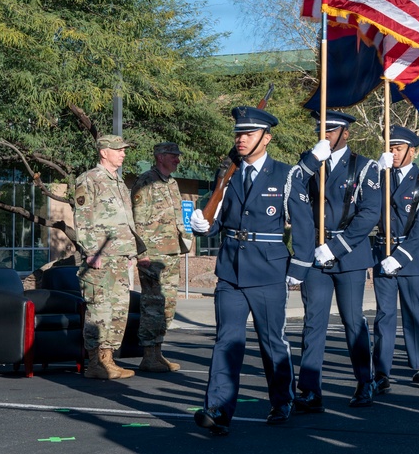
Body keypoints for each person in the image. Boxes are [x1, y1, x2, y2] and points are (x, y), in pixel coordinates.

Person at [188, 106, 317, 436]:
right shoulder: (227, 175)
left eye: (248, 133)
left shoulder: (286, 176)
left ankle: (282, 398)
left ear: (266, 138)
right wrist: (204, 225)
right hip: (230, 269)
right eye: (238, 134)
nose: (241, 138)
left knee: (272, 341)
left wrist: (299, 268)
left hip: (269, 269)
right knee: (226, 341)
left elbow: (304, 227)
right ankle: (218, 408)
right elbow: (217, 221)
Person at [295, 110, 380, 412]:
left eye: (331, 130)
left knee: (352, 320)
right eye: (321, 129)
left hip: (348, 254)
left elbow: (370, 213)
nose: (325, 135)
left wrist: (337, 247)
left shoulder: (364, 167)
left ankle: (364, 381)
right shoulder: (309, 162)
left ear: (347, 133)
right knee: (313, 322)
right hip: (316, 252)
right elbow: (293, 196)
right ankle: (309, 389)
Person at [371, 125, 419, 392]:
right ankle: (381, 370)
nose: (393, 153)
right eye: (390, 148)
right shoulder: (379, 177)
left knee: (415, 313)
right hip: (383, 252)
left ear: (412, 152)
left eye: (398, 148)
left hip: (411, 258)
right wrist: (376, 172)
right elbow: (364, 205)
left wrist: (399, 256)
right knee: (384, 316)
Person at [74, 134, 146, 380]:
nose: (123, 153)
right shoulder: (89, 179)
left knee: (117, 311)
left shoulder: (118, 181)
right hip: (101, 256)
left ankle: (108, 359)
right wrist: (91, 251)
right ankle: (95, 363)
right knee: (99, 309)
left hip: (119, 255)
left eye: (124, 149)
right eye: (119, 150)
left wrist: (129, 251)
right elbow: (83, 218)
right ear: (104, 152)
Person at [131, 141, 191, 373]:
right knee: (152, 304)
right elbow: (137, 220)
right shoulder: (146, 181)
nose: (177, 159)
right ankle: (148, 354)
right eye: (173, 155)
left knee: (168, 305)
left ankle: (158, 352)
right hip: (153, 254)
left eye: (177, 155)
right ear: (160, 157)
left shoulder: (172, 183)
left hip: (172, 251)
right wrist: (142, 254)